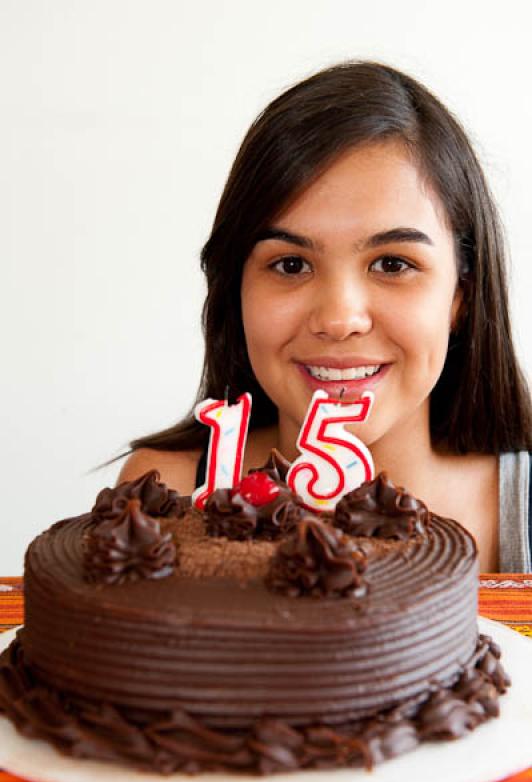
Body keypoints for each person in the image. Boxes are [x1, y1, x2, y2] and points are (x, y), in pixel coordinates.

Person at [117, 60, 532, 573]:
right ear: (236, 289)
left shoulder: (522, 509)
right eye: (291, 265)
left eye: (393, 264)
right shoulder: (162, 497)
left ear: (460, 295)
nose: (339, 319)